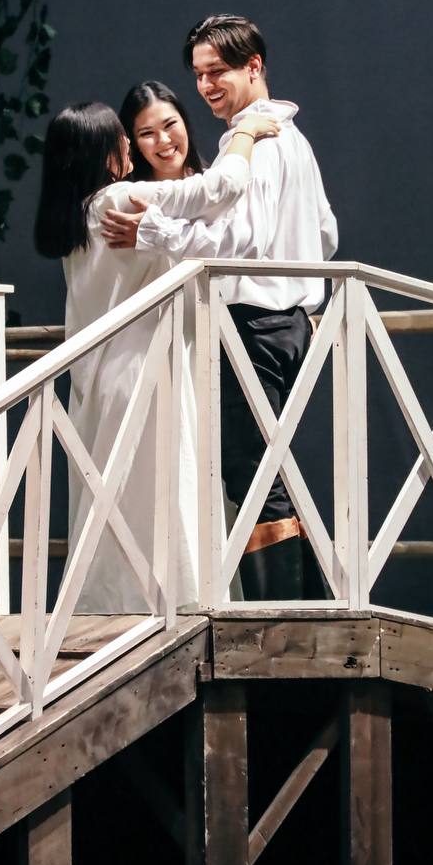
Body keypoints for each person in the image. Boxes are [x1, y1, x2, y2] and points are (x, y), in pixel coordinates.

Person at [101, 15, 338, 601]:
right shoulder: (295, 141)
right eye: (199, 74)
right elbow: (326, 233)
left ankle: (280, 623)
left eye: (218, 71)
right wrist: (306, 302)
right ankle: (311, 608)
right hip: (290, 325)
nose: (206, 85)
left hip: (253, 326)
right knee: (266, 467)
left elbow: (242, 241)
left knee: (253, 474)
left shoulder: (252, 142)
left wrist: (152, 231)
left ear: (254, 66)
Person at [34, 98, 279, 613]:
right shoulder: (119, 198)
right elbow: (220, 187)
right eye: (122, 138)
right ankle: (179, 610)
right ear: (104, 153)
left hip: (98, 379)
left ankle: (110, 615)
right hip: (145, 369)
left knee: (117, 505)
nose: (129, 144)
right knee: (165, 497)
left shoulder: (76, 218)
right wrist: (247, 132)